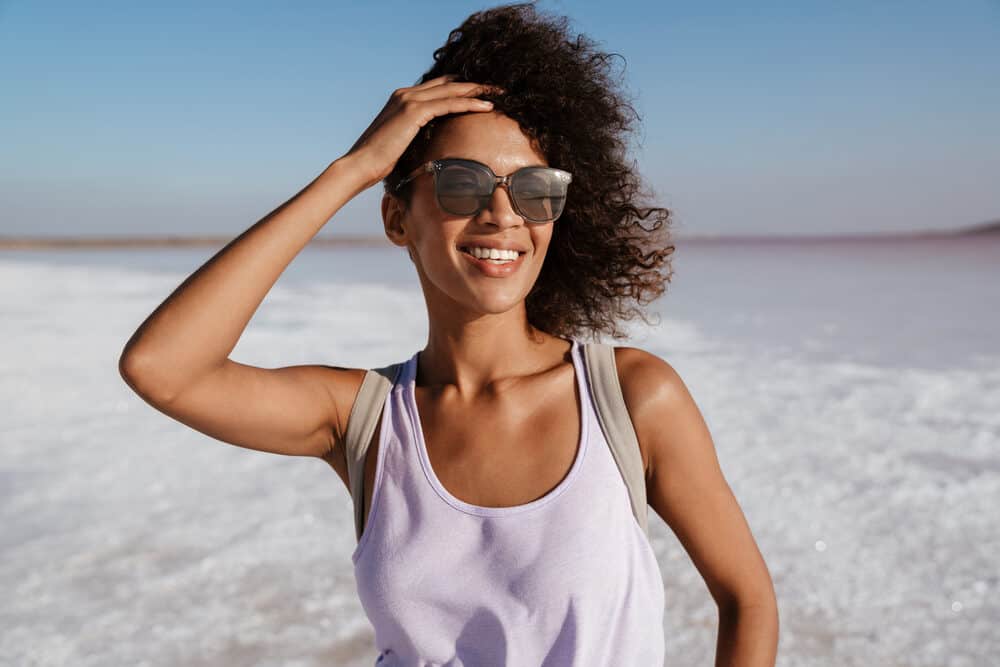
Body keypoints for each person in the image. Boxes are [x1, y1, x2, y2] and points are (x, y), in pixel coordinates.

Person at [118, 3, 778, 665]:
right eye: (461, 183)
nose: (502, 213)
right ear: (397, 219)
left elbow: (746, 598)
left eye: (534, 188)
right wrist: (350, 170)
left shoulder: (630, 398)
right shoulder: (364, 420)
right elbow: (162, 368)